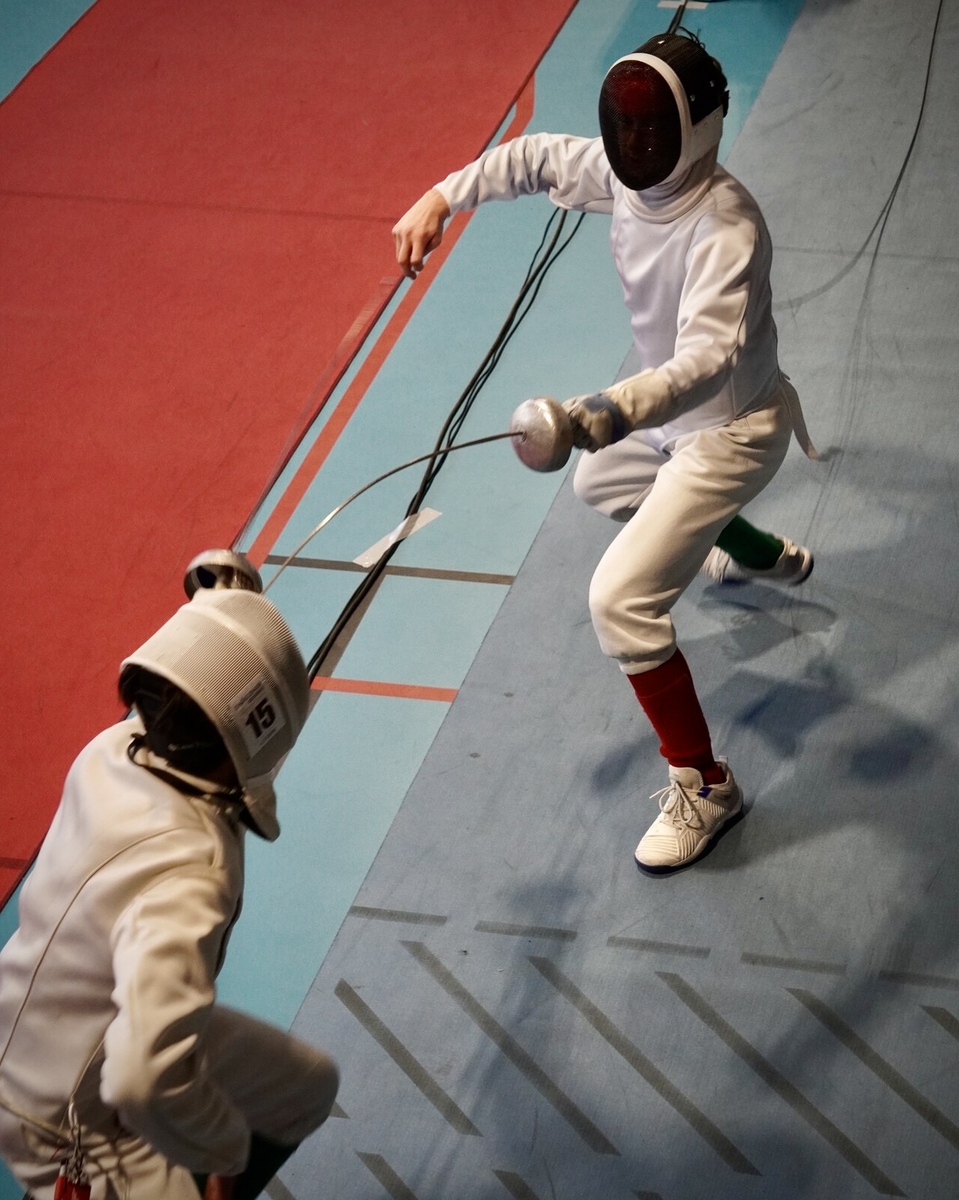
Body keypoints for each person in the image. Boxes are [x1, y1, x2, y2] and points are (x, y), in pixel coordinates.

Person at [392, 29, 817, 874]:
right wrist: (442, 195)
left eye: (650, 127)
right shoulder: (629, 179)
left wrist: (612, 408)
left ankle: (706, 785)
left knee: (619, 601)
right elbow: (535, 157)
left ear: (697, 128)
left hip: (730, 433)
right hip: (666, 422)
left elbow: (706, 363)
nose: (633, 142)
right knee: (601, 482)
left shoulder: (725, 226)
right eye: (624, 125)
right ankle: (754, 551)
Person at [0, 587, 339, 1198]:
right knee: (173, 1114)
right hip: (59, 1116)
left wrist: (226, 610)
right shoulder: (190, 876)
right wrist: (225, 1149)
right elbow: (141, 1079)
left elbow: (190, 690)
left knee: (305, 1088)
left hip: (80, 1022)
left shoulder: (114, 749)